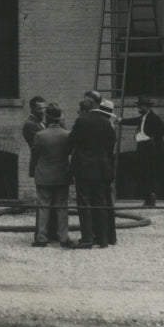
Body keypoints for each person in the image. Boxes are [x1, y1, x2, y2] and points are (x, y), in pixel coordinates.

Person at [67, 91, 116, 249]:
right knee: (100, 202)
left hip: (83, 168)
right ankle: (102, 239)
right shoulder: (106, 122)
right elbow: (110, 146)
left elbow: (70, 143)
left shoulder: (82, 121)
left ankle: (87, 237)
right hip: (101, 168)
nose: (84, 102)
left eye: (86, 100)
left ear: (92, 102)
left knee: (84, 202)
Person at [30, 103, 72, 248]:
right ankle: (63, 237)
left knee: (43, 206)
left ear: (47, 117)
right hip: (62, 174)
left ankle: (42, 237)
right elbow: (69, 152)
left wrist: (33, 171)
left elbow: (34, 156)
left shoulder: (40, 135)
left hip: (44, 175)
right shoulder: (67, 134)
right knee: (62, 207)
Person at [118, 96, 164, 207]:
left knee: (149, 173)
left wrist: (153, 138)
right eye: (139, 106)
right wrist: (121, 121)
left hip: (149, 149)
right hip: (142, 147)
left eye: (141, 106)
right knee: (143, 172)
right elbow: (134, 121)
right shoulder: (143, 117)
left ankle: (151, 199)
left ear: (147, 107)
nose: (139, 108)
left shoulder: (153, 117)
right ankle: (148, 198)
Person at [21, 96, 58, 242]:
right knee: (44, 201)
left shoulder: (40, 123)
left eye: (44, 108)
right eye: (39, 108)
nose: (43, 111)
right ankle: (43, 233)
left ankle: (50, 232)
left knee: (51, 201)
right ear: (32, 109)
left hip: (47, 166)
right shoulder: (30, 124)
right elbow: (38, 146)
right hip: (42, 166)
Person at [95, 98, 119, 247]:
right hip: (108, 166)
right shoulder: (109, 124)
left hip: (104, 166)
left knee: (103, 202)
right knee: (108, 202)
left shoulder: (105, 126)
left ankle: (104, 235)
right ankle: (111, 235)